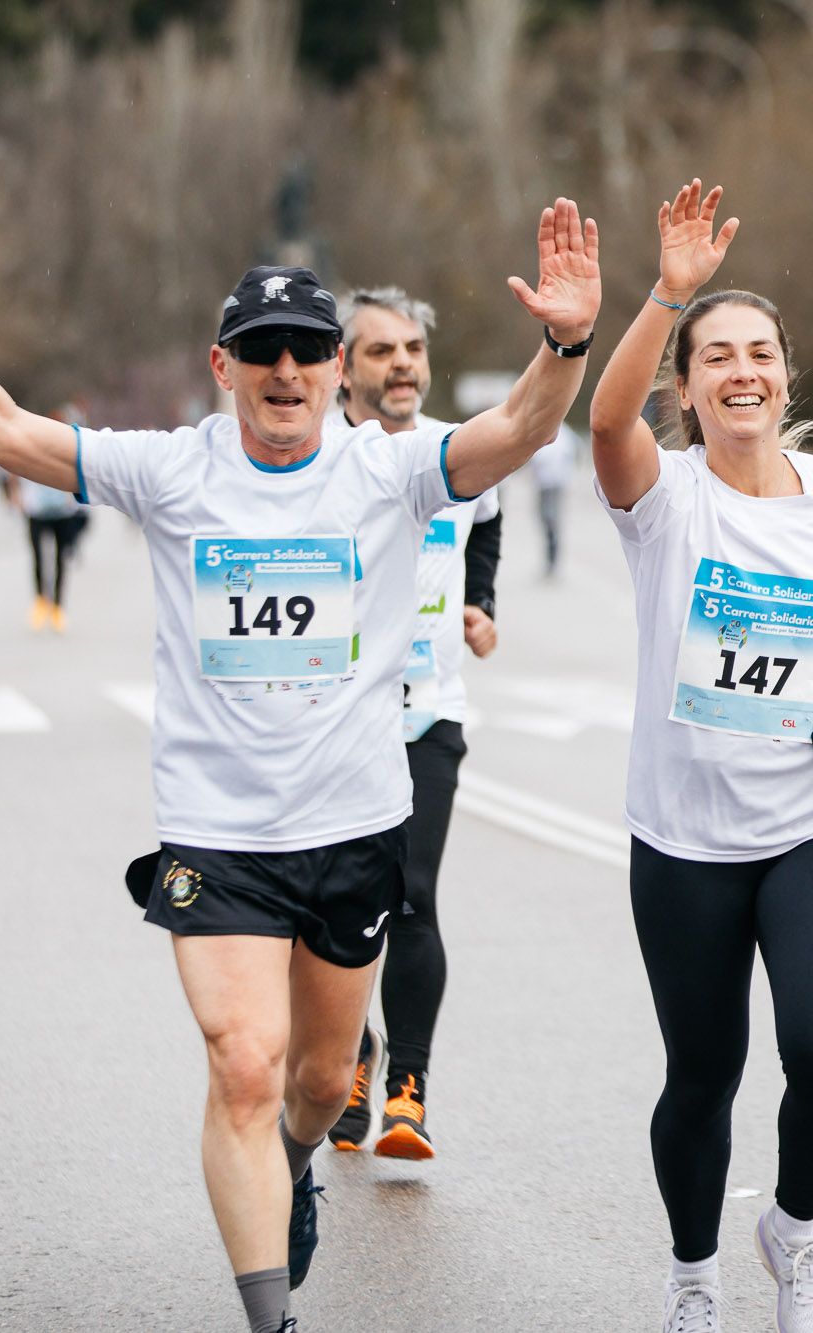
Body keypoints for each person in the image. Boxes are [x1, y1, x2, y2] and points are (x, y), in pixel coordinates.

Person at [0, 186, 600, 1333]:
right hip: (216, 830)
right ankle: (273, 1319)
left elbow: (518, 432)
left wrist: (562, 341)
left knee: (314, 1082)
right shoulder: (171, 470)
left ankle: (296, 1163)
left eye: (310, 350)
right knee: (243, 1067)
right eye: (263, 352)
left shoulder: (385, 473)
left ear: (339, 368)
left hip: (355, 824)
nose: (287, 370)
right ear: (223, 365)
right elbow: (2, 433)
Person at [588, 180, 813, 1333]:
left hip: (812, 823)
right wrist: (664, 294)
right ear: (686, 389)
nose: (742, 370)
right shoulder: (663, 499)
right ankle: (694, 1276)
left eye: (760, 353)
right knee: (702, 1078)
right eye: (716, 356)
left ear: (786, 376)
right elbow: (601, 423)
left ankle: (791, 1228)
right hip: (682, 837)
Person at [321, 288, 501, 1162]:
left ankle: (407, 1089)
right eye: (381, 349)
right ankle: (352, 1055)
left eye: (412, 349)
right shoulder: (320, 459)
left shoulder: (456, 453)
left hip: (429, 711)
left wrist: (479, 603)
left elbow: (489, 523)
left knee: (413, 895)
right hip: (335, 718)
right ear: (344, 366)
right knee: (338, 905)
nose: (401, 364)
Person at [9, 456, 88, 632]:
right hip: (36, 510)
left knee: (61, 558)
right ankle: (40, 601)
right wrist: (16, 495)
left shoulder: (62, 437)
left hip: (62, 511)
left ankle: (58, 606)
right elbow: (14, 467)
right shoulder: (30, 439)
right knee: (38, 557)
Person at [530, 418, 580, 576]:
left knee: (550, 518)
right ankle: (550, 551)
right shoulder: (544, 428)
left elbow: (577, 450)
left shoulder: (563, 432)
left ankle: (553, 554)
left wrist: (569, 472)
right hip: (543, 483)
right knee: (544, 518)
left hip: (555, 483)